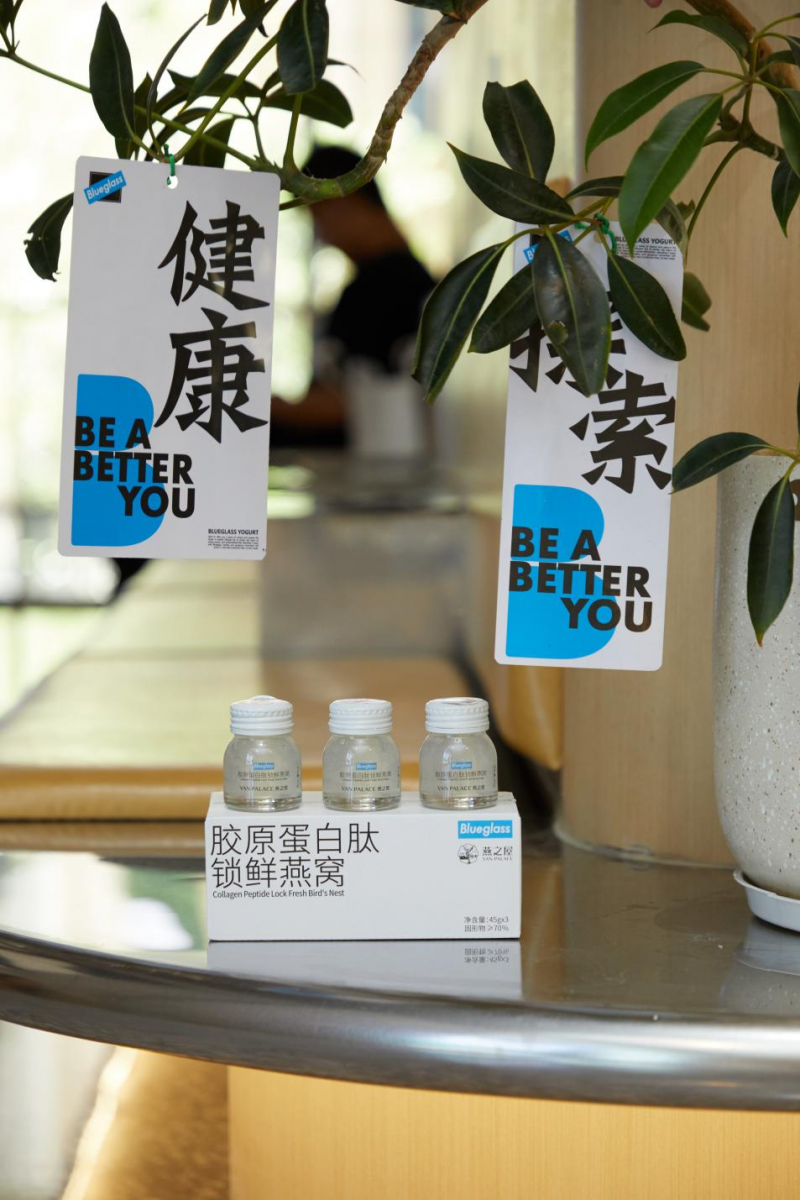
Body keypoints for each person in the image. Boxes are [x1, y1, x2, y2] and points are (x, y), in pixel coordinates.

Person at [271, 146, 435, 448]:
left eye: (320, 217)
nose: (324, 236)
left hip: (373, 466)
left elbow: (354, 403)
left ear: (344, 200)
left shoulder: (385, 290)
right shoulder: (405, 283)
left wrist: (268, 409)